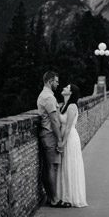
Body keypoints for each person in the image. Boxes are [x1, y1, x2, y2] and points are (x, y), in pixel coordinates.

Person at [37, 71, 66, 208]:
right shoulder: (48, 97)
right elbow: (54, 120)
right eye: (56, 81)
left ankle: (50, 197)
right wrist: (59, 139)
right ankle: (54, 199)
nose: (58, 84)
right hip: (50, 135)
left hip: (46, 134)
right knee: (52, 167)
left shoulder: (47, 96)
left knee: (49, 167)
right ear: (49, 81)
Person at [56, 84, 87, 207]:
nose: (64, 88)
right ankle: (63, 196)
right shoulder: (62, 106)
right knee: (64, 166)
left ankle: (69, 197)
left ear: (71, 92)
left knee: (70, 165)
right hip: (64, 137)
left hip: (70, 138)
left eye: (67, 87)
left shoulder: (72, 106)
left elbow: (68, 126)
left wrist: (63, 143)